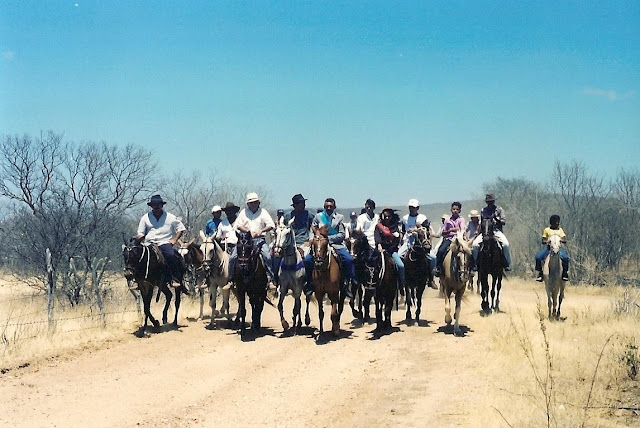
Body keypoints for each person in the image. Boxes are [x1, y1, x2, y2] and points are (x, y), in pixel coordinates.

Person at [303, 197, 355, 298]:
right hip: (319, 244)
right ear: (324, 207)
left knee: (348, 259)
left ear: (334, 207)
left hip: (336, 244)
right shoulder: (318, 217)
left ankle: (345, 284)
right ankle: (310, 283)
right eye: (327, 206)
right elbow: (312, 230)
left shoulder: (340, 217)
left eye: (331, 206)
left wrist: (328, 239)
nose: (329, 208)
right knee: (308, 260)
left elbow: (342, 234)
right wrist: (312, 239)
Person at [135, 194, 188, 293]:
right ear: (151, 206)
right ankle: (137, 280)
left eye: (158, 204)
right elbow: (141, 233)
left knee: (171, 255)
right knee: (136, 256)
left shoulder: (170, 217)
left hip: (164, 242)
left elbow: (181, 229)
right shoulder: (145, 218)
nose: (156, 207)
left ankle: (174, 278)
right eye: (154, 205)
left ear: (162, 205)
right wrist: (136, 241)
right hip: (148, 243)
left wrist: (174, 240)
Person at [234, 192, 276, 289]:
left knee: (267, 256)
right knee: (233, 257)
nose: (253, 204)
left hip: (259, 240)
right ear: (248, 204)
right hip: (245, 240)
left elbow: (271, 225)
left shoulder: (263, 212)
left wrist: (261, 231)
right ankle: (232, 280)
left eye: (255, 202)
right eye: (251, 202)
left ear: (258, 202)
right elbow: (238, 225)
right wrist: (248, 231)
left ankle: (270, 278)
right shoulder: (243, 213)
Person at [399, 199, 437, 289]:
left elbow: (427, 229)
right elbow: (403, 231)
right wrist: (400, 241)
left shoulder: (422, 218)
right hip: (409, 241)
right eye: (410, 207)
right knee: (399, 255)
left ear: (418, 208)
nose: (411, 209)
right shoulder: (405, 218)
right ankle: (402, 279)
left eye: (414, 207)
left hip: (421, 242)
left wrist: (417, 228)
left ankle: (431, 278)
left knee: (433, 258)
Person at [470, 194, 512, 271]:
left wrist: (497, 219)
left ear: (494, 201)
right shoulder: (483, 210)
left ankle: (507, 263)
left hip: (496, 231)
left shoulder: (499, 209)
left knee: (506, 244)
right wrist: (478, 231)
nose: (490, 203)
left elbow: (504, 222)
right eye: (488, 202)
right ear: (486, 202)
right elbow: (481, 222)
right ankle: (475, 264)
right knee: (475, 245)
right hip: (484, 231)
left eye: (491, 201)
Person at [375, 207, 405, 295]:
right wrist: (379, 245)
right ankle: (371, 285)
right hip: (380, 250)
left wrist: (392, 244)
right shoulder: (378, 226)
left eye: (389, 216)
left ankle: (401, 284)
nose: (387, 218)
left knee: (401, 266)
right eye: (385, 216)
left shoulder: (394, 227)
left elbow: (396, 239)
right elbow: (377, 237)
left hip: (391, 251)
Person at [433, 202, 466, 277]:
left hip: (459, 238)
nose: (455, 211)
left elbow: (462, 229)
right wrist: (449, 230)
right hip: (450, 238)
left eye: (457, 209)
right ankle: (438, 268)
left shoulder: (461, 219)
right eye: (453, 209)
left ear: (460, 211)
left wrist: (456, 230)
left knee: (468, 250)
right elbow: (443, 232)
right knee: (441, 250)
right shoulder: (447, 220)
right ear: (451, 210)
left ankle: (471, 267)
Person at [534, 215, 570, 281]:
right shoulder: (547, 230)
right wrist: (547, 241)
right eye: (556, 222)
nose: (558, 223)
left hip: (558, 248)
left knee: (565, 258)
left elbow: (564, 239)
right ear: (552, 223)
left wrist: (561, 240)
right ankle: (540, 273)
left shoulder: (560, 230)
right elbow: (543, 240)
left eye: (558, 222)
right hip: (549, 248)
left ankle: (565, 273)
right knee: (538, 257)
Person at [216, 202, 240, 290]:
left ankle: (231, 280)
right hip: (223, 245)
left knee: (233, 258)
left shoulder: (240, 221)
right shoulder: (222, 223)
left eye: (231, 211)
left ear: (234, 211)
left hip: (237, 245)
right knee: (209, 255)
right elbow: (218, 236)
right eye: (227, 211)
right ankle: (208, 279)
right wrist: (221, 237)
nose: (229, 213)